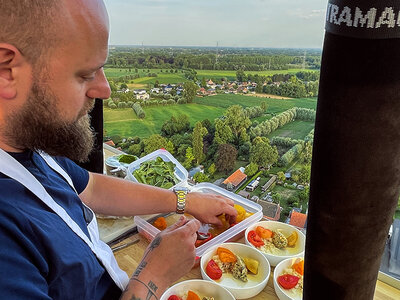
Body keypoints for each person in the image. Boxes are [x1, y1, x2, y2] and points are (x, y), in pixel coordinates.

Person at [0, 1, 237, 299]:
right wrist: (154, 275)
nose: (105, 89)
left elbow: (93, 188)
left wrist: (185, 200)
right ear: (7, 69)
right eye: (85, 74)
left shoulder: (27, 145)